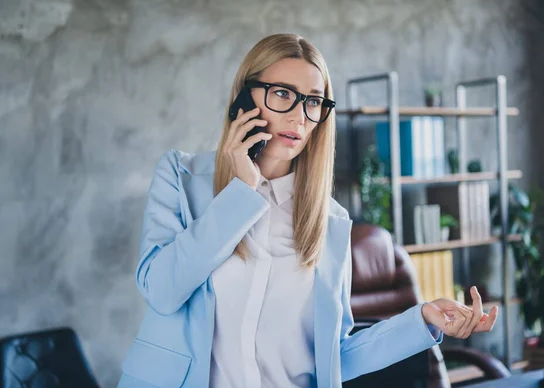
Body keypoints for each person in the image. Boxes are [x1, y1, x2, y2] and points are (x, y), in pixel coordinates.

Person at [117, 33, 498, 388]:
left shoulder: (330, 221)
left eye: (313, 101)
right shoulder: (181, 177)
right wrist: (240, 192)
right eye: (283, 93)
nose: (299, 116)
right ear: (244, 99)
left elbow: (334, 356)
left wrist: (422, 320)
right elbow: (162, 291)